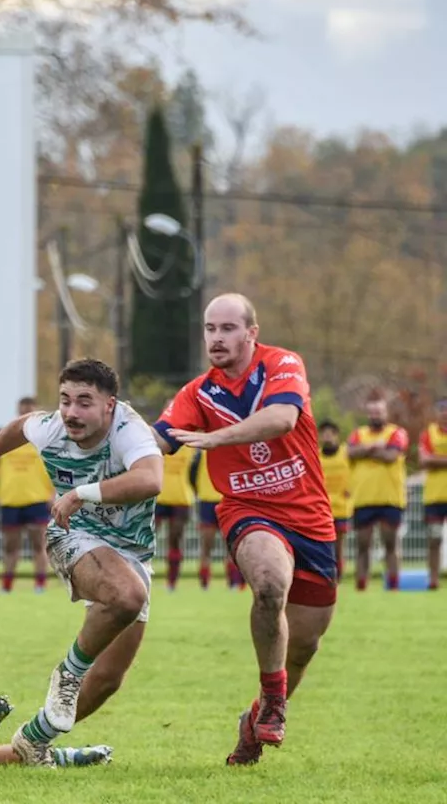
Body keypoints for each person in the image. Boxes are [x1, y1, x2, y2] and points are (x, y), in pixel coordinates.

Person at [153, 293, 336, 766]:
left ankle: (255, 716)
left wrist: (215, 438)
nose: (216, 338)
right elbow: (160, 439)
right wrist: (102, 438)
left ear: (252, 333)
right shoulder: (197, 393)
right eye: (210, 329)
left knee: (305, 646)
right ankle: (275, 705)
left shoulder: (282, 365)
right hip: (247, 509)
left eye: (228, 328)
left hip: (310, 517)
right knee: (270, 586)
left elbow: (281, 418)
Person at [0, 358, 163, 767]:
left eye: (84, 402)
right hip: (71, 534)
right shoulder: (50, 425)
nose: (71, 412)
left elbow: (150, 479)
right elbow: (21, 426)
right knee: (126, 596)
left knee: (107, 679)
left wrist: (81, 492)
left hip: (131, 552)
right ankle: (68, 674)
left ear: (110, 405)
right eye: (66, 400)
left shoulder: (129, 431)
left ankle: (34, 740)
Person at [0, 398, 55, 594]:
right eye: (23, 411)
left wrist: (53, 494)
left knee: (39, 544)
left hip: (37, 498)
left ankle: (40, 584)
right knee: (10, 546)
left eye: (29, 411)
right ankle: (6, 586)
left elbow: (55, 468)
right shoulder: (7, 439)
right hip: (10, 499)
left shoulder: (44, 440)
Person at [347, 395, 410, 591]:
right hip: (363, 498)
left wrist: (364, 450)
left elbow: (391, 456)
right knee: (362, 545)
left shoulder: (396, 433)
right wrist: (374, 447)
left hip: (390, 498)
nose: (375, 416)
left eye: (379, 412)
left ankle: (393, 585)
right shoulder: (358, 433)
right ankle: (361, 585)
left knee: (390, 544)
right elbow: (350, 452)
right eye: (372, 412)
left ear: (386, 413)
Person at [194, 451, 241, 589]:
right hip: (208, 500)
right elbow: (192, 475)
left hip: (227, 499)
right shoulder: (201, 454)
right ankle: (205, 581)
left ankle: (233, 580)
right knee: (207, 543)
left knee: (231, 544)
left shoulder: (233, 451)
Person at [156, 444, 197, 591]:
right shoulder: (158, 444)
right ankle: (140, 575)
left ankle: (172, 582)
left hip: (181, 499)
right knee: (145, 539)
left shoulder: (189, 446)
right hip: (158, 497)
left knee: (175, 541)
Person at [317, 421, 354, 584]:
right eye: (324, 433)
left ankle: (338, 577)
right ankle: (324, 575)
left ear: (336, 434)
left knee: (338, 545)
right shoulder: (317, 455)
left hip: (341, 508)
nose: (327, 436)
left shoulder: (346, 454)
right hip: (321, 508)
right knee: (323, 546)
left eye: (330, 433)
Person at [418, 399, 447, 591]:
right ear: (437, 413)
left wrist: (436, 459)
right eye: (442, 410)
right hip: (435, 496)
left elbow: (431, 459)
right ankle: (433, 580)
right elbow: (424, 460)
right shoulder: (428, 433)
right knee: (434, 539)